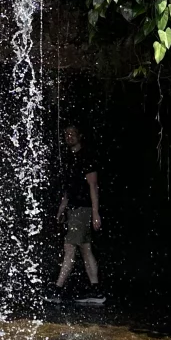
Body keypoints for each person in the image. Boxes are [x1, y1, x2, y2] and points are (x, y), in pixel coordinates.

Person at [55, 123, 104, 303]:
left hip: (82, 209)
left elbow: (93, 186)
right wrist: (62, 207)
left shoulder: (86, 157)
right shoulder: (68, 158)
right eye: (66, 134)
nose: (69, 137)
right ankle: (96, 290)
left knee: (69, 248)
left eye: (72, 134)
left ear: (79, 136)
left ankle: (57, 289)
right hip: (73, 208)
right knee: (85, 249)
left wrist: (95, 213)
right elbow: (69, 188)